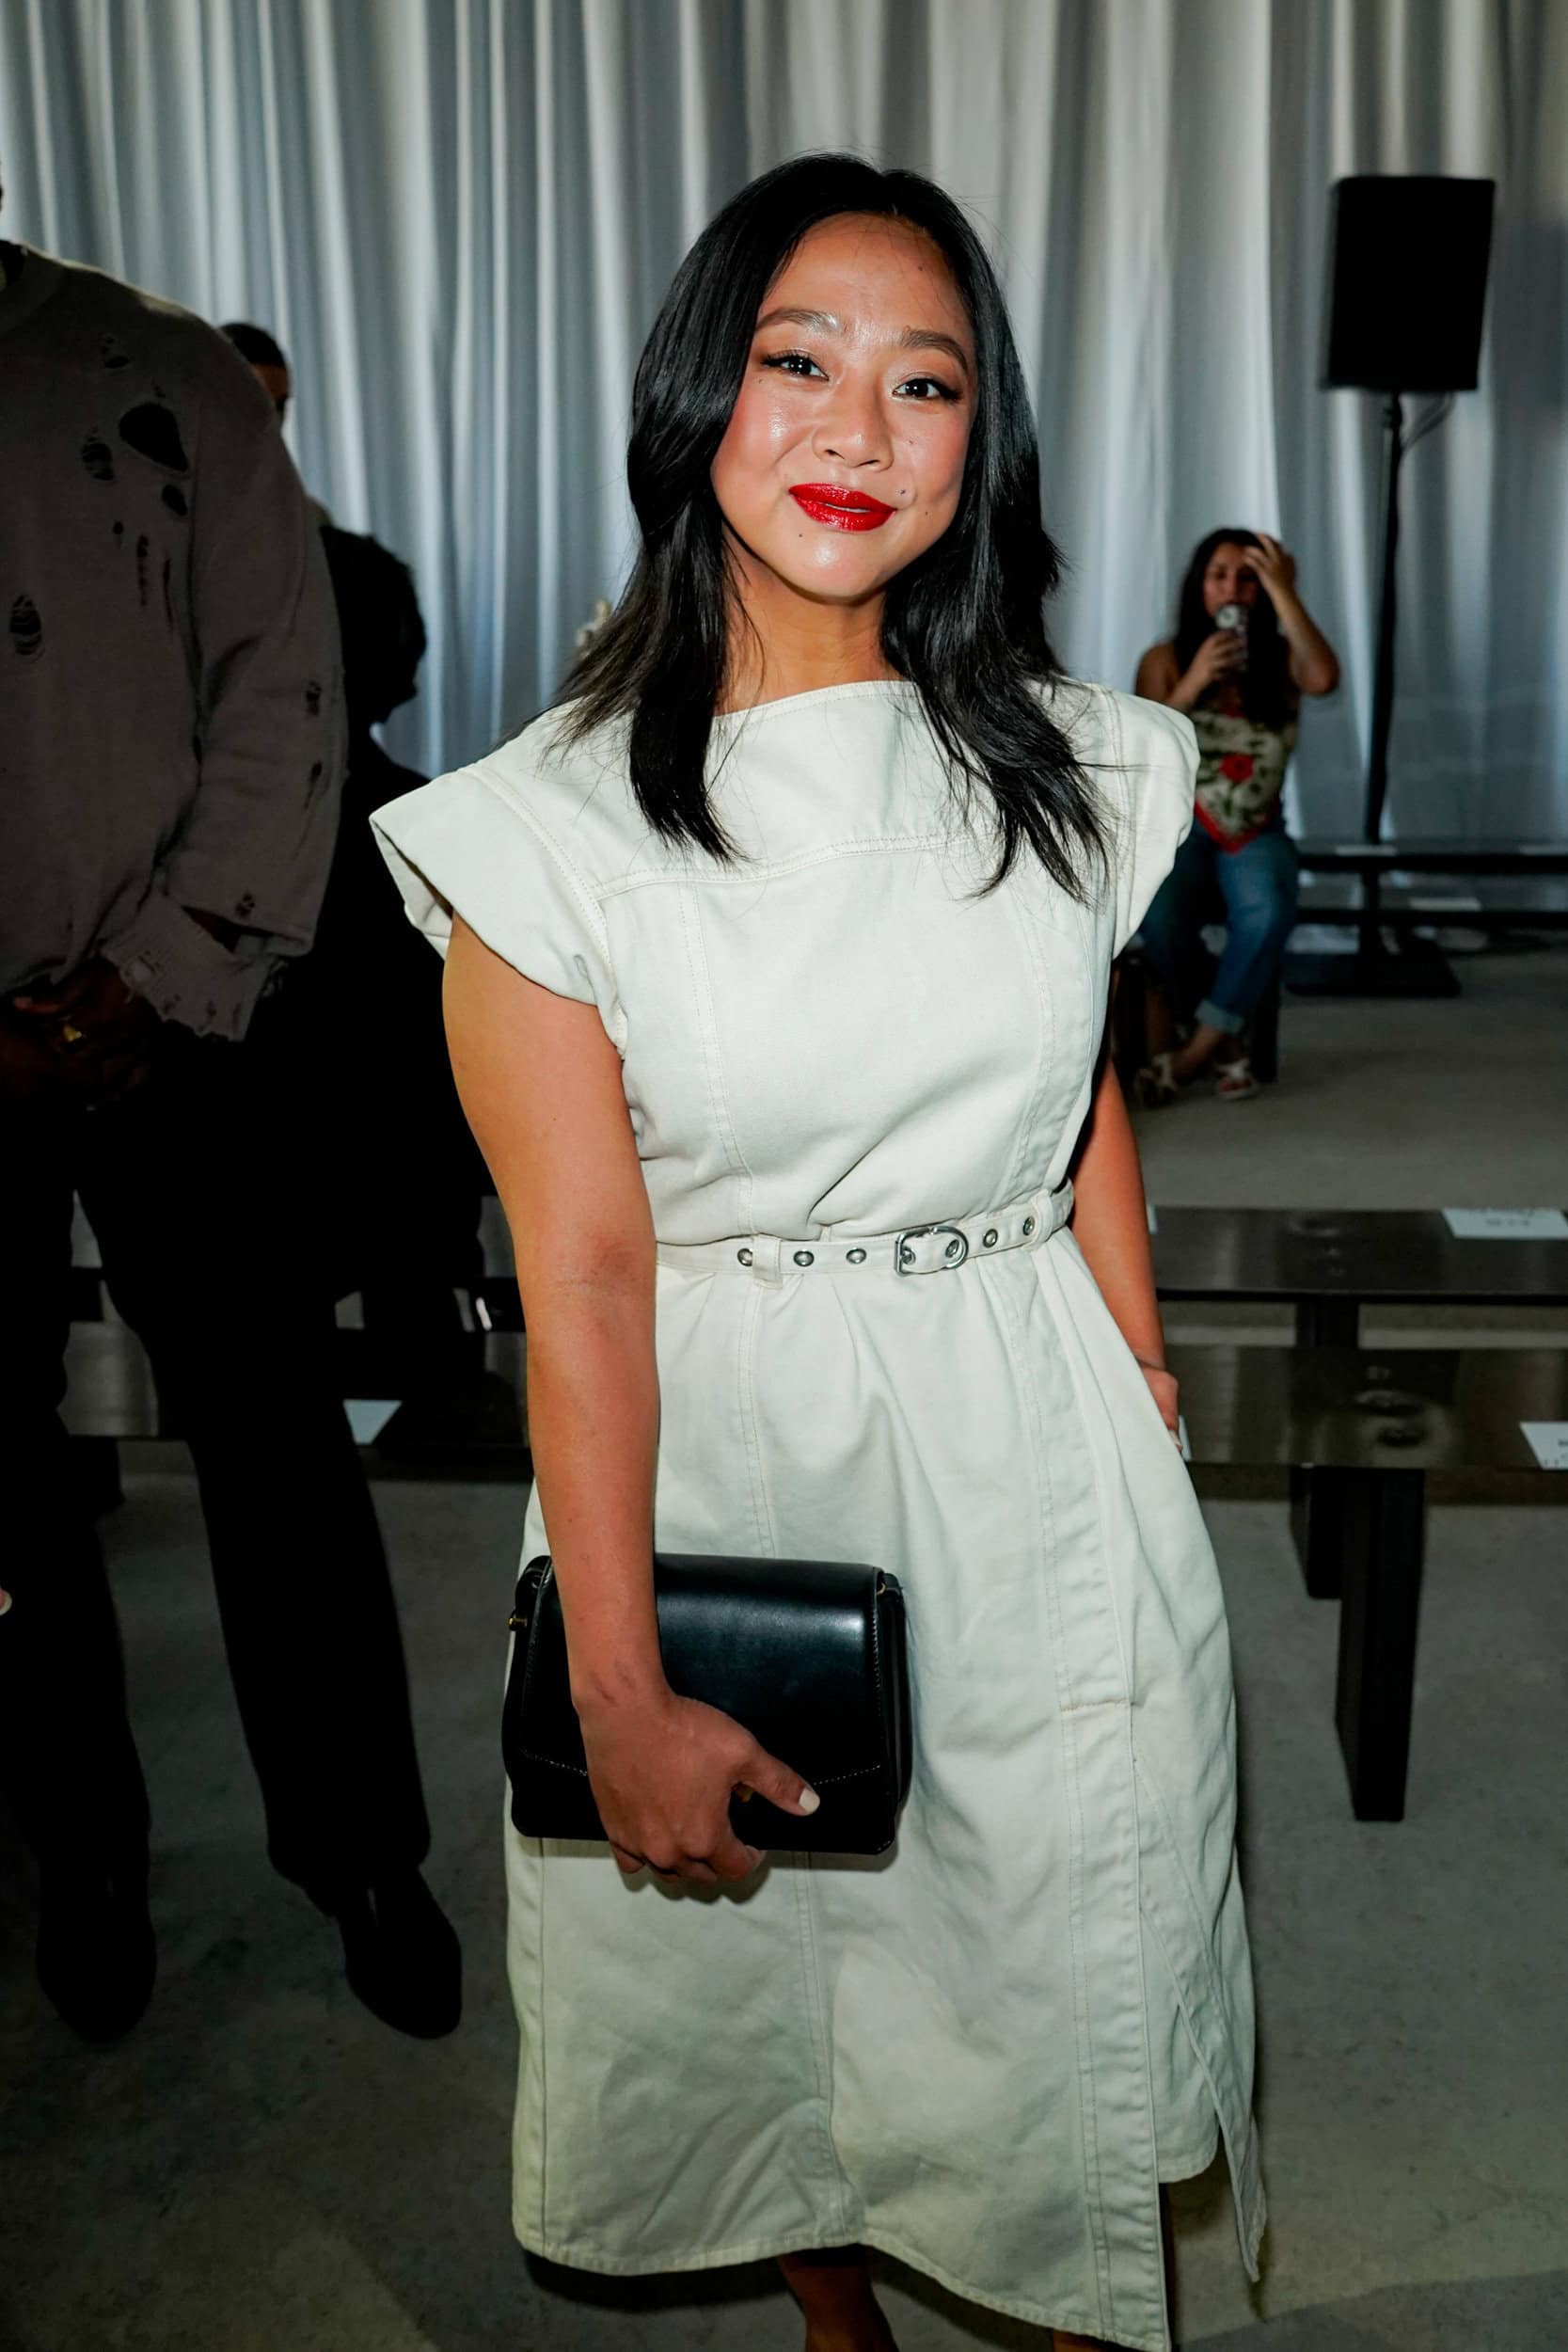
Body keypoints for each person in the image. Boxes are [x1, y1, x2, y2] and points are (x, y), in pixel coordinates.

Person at [374, 155, 1263, 2352]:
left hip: (1026, 1426)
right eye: (800, 360)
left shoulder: (1069, 767)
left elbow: (1076, 1082)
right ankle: (834, 2319)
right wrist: (613, 1685)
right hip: (725, 1445)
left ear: (981, 444)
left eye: (924, 381)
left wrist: (1137, 1362)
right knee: (768, 1983)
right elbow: (580, 1279)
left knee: (1054, 1961)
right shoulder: (550, 833)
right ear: (700, 394)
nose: (859, 428)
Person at [0, 215, 459, 2042]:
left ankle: (361, 1851)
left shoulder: (158, 365)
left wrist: (160, 968)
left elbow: (288, 688)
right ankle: (82, 1853)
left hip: (180, 1017)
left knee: (275, 1437)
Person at [1131, 529, 1340, 1100]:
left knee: (1267, 907)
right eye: (1219, 576)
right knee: (1157, 912)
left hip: (1256, 827)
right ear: (1198, 585)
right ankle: (1226, 1038)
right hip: (1182, 826)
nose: (1232, 589)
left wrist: (1283, 589)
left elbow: (1324, 679)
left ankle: (1195, 1051)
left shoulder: (1284, 658)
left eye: (1248, 579)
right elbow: (1140, 746)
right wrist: (1195, 680)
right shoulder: (1166, 658)